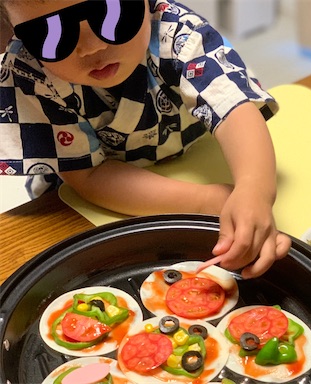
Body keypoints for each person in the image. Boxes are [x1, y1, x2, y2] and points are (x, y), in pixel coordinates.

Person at [0, 0, 291, 278]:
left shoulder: (176, 32)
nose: (92, 47)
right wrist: (208, 201)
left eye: (113, 13)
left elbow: (234, 109)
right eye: (51, 35)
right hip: (79, 208)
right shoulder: (30, 74)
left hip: (186, 158)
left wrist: (254, 189)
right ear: (13, 29)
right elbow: (89, 175)